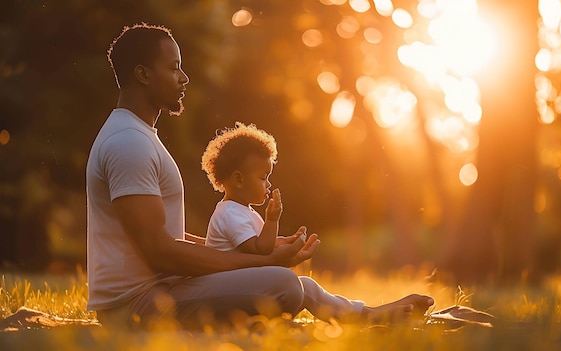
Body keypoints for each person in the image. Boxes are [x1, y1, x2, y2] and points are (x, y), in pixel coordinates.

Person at [86, 23, 433, 330]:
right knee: (282, 283)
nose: (184, 78)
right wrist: (264, 260)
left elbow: (167, 237)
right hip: (136, 307)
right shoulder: (128, 143)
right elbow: (159, 251)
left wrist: (264, 253)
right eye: (174, 68)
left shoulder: (138, 136)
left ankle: (365, 314)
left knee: (288, 281)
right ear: (143, 75)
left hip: (160, 291)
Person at [200, 122, 435, 323]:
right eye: (263, 178)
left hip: (247, 283)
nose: (268, 184)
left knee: (309, 286)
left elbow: (262, 245)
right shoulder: (230, 213)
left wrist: (286, 243)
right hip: (231, 290)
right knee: (292, 282)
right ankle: (368, 315)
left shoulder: (243, 211)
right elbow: (259, 250)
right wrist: (273, 219)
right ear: (238, 179)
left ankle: (367, 313)